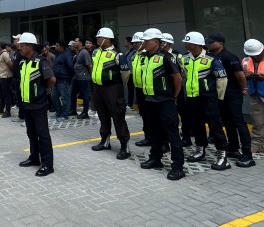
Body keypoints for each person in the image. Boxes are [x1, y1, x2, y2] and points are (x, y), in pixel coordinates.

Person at [138, 28, 186, 181]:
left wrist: (173, 96)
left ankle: (177, 167)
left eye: (147, 41)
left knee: (172, 134)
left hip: (165, 101)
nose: (144, 43)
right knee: (154, 133)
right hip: (149, 101)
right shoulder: (144, 57)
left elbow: (177, 79)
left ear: (157, 42)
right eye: (144, 40)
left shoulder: (166, 57)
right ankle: (155, 158)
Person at [181, 32, 231, 170]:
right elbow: (183, 77)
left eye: (188, 42)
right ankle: (200, 150)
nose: (185, 44)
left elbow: (222, 79)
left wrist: (219, 98)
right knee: (197, 126)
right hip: (192, 98)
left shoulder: (211, 59)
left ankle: (222, 157)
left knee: (215, 127)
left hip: (209, 98)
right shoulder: (185, 59)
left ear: (196, 44)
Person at [206, 34, 255, 167]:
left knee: (239, 123)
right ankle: (233, 148)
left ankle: (247, 155)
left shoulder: (229, 57)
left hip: (233, 94)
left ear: (220, 43)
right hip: (221, 94)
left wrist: (244, 89)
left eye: (212, 42)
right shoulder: (211, 56)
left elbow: (240, 75)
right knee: (228, 122)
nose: (208, 44)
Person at [16, 32, 56, 176]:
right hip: (27, 104)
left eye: (22, 45)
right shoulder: (23, 62)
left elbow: (51, 79)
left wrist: (46, 88)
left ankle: (47, 164)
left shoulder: (41, 62)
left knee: (43, 134)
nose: (19, 47)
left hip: (39, 104)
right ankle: (34, 158)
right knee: (31, 133)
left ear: (30, 46)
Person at [90, 28, 131, 159]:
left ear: (107, 39)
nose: (97, 40)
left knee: (118, 116)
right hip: (98, 88)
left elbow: (125, 73)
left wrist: (119, 86)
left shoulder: (117, 54)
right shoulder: (95, 52)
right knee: (102, 116)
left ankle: (125, 146)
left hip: (112, 88)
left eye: (99, 38)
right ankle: (105, 141)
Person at [162, 33, 192, 147]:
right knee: (168, 116)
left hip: (177, 88)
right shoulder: (158, 55)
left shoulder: (177, 55)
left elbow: (183, 73)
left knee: (183, 114)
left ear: (168, 42)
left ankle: (186, 137)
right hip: (166, 89)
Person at [51, 39, 74, 121]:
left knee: (65, 98)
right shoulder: (58, 54)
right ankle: (58, 112)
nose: (55, 47)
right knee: (54, 96)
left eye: (57, 46)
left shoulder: (67, 55)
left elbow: (70, 67)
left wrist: (69, 76)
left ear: (62, 47)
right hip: (56, 79)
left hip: (64, 79)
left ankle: (65, 115)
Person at [72, 37, 93, 119]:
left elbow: (89, 65)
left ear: (80, 43)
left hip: (83, 78)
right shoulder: (78, 52)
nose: (74, 42)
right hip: (77, 77)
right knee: (73, 94)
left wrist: (90, 76)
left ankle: (85, 113)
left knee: (84, 95)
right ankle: (73, 110)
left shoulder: (84, 52)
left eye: (76, 41)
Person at [0, 42, 14, 118]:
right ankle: (1, 108)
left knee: (6, 94)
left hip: (5, 77)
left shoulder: (5, 54)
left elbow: (10, 64)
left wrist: (12, 74)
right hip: (0, 77)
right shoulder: (0, 53)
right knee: (1, 94)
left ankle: (8, 111)